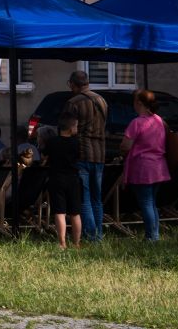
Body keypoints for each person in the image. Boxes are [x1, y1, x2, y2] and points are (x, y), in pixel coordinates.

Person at [61, 70, 108, 241]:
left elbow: (69, 129)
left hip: (82, 153)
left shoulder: (73, 103)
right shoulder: (102, 100)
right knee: (97, 198)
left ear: (73, 84)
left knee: (85, 198)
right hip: (100, 154)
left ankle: (91, 236)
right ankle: (99, 235)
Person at [120, 89, 170, 242]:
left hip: (142, 168)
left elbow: (125, 146)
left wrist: (122, 152)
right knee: (152, 203)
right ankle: (154, 236)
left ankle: (151, 237)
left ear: (139, 103)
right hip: (159, 167)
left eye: (134, 101)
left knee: (146, 203)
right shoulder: (159, 120)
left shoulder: (136, 122)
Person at [44, 113, 83, 249]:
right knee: (75, 212)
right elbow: (79, 157)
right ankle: (77, 243)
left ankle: (62, 243)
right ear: (71, 128)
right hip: (73, 178)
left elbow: (45, 156)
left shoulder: (52, 142)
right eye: (76, 126)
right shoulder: (76, 143)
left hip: (56, 178)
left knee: (60, 212)